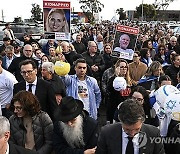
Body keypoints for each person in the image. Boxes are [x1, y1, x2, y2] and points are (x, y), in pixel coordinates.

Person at [96, 99, 165, 154]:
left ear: (143, 120)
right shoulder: (107, 133)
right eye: (127, 129)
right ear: (120, 120)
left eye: (137, 129)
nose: (132, 134)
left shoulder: (153, 133)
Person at [106, 59, 132, 123]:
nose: (124, 69)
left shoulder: (129, 81)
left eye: (125, 67)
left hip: (126, 109)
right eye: (122, 67)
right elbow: (109, 89)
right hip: (114, 109)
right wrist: (117, 75)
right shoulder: (112, 79)